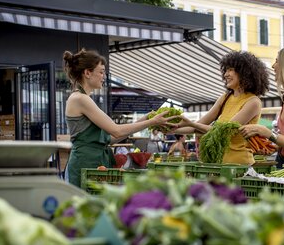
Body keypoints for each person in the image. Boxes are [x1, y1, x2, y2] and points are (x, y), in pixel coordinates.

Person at [63, 48, 176, 187]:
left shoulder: (83, 98)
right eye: (101, 72)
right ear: (87, 73)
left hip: (94, 162)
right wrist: (153, 121)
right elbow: (117, 130)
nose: (103, 76)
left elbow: (111, 138)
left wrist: (148, 117)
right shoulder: (80, 98)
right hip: (85, 163)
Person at [173, 51, 270, 165]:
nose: (226, 74)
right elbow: (198, 126)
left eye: (230, 70)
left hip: (239, 165)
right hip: (219, 164)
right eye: (226, 70)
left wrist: (191, 124)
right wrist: (169, 128)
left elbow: (222, 132)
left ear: (245, 72)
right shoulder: (225, 98)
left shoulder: (253, 102)